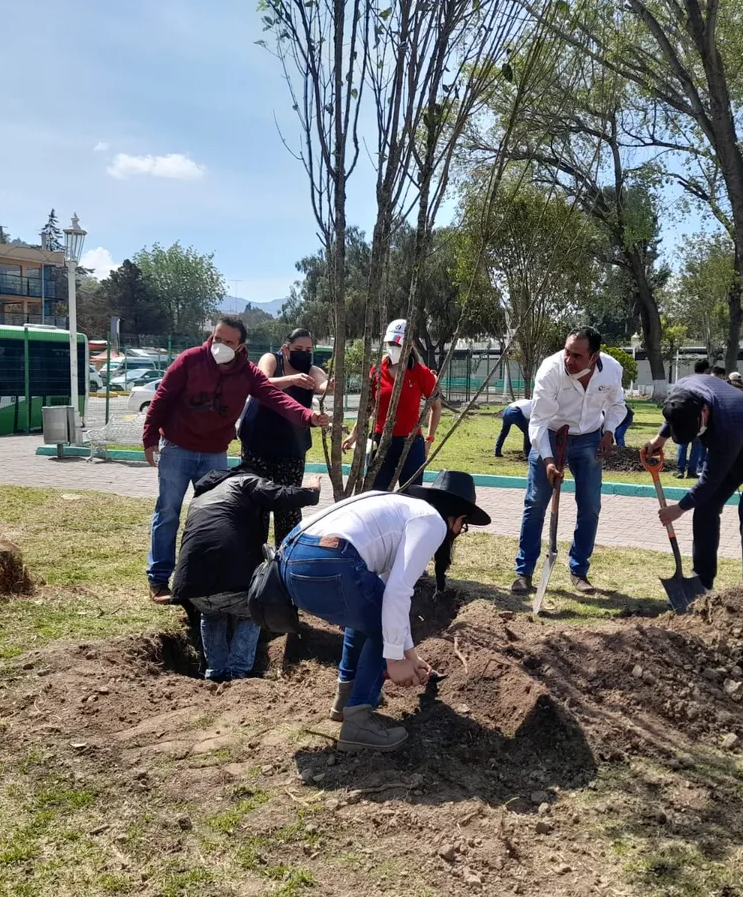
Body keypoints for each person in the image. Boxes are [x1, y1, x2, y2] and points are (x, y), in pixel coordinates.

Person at [278, 470, 490, 751]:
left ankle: (345, 701)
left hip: (291, 560)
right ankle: (358, 721)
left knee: (368, 614)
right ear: (458, 518)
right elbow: (397, 594)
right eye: (463, 526)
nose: (457, 533)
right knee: (380, 617)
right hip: (328, 561)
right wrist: (395, 660)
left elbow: (383, 593)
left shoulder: (399, 509)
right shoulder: (432, 522)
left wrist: (411, 655)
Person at [142, 317, 330, 603]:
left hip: (215, 453)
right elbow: (162, 398)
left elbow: (274, 397)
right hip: (177, 448)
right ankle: (159, 579)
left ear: (241, 346)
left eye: (228, 342)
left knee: (214, 517)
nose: (220, 345)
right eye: (217, 338)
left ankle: (205, 580)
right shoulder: (190, 360)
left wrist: (308, 416)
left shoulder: (247, 373)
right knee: (168, 512)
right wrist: (149, 438)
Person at [642, 372, 743, 590]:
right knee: (705, 507)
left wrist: (680, 508)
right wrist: (660, 438)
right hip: (739, 446)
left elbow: (710, 479)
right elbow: (675, 412)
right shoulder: (683, 391)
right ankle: (702, 581)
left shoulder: (729, 422)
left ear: (704, 411)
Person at [171, 467, 322, 681]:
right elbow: (279, 495)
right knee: (253, 611)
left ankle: (215, 671)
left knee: (211, 613)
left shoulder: (201, 497)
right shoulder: (245, 481)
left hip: (191, 584)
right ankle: (238, 671)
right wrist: (311, 492)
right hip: (226, 576)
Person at [512, 327, 625, 596]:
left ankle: (578, 571)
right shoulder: (550, 370)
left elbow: (617, 404)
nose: (569, 360)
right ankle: (524, 572)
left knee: (590, 505)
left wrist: (609, 432)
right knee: (536, 502)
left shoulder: (611, 369)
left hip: (589, 439)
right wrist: (549, 461)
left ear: (594, 356)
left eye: (577, 355)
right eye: (567, 352)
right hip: (551, 435)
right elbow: (538, 421)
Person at [238, 328, 329, 544]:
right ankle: (252, 557)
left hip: (291, 448)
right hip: (257, 443)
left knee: (289, 506)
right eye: (299, 349)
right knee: (255, 503)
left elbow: (321, 384)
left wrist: (329, 386)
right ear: (285, 348)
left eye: (308, 349)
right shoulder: (271, 359)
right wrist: (292, 379)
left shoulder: (311, 370)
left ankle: (285, 554)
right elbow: (262, 382)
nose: (304, 353)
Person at [342, 319, 441, 491]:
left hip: (411, 444)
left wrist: (429, 440)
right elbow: (368, 407)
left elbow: (436, 407)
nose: (393, 347)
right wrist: (354, 434)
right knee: (376, 493)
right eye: (390, 343)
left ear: (409, 345)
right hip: (380, 442)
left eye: (398, 343)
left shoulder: (422, 374)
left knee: (412, 495)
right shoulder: (377, 370)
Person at [675, 359, 712, 479]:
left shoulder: (686, 382)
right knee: (696, 444)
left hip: (682, 417)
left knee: (683, 444)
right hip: (697, 419)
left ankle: (680, 470)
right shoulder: (706, 383)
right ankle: (692, 470)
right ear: (706, 370)